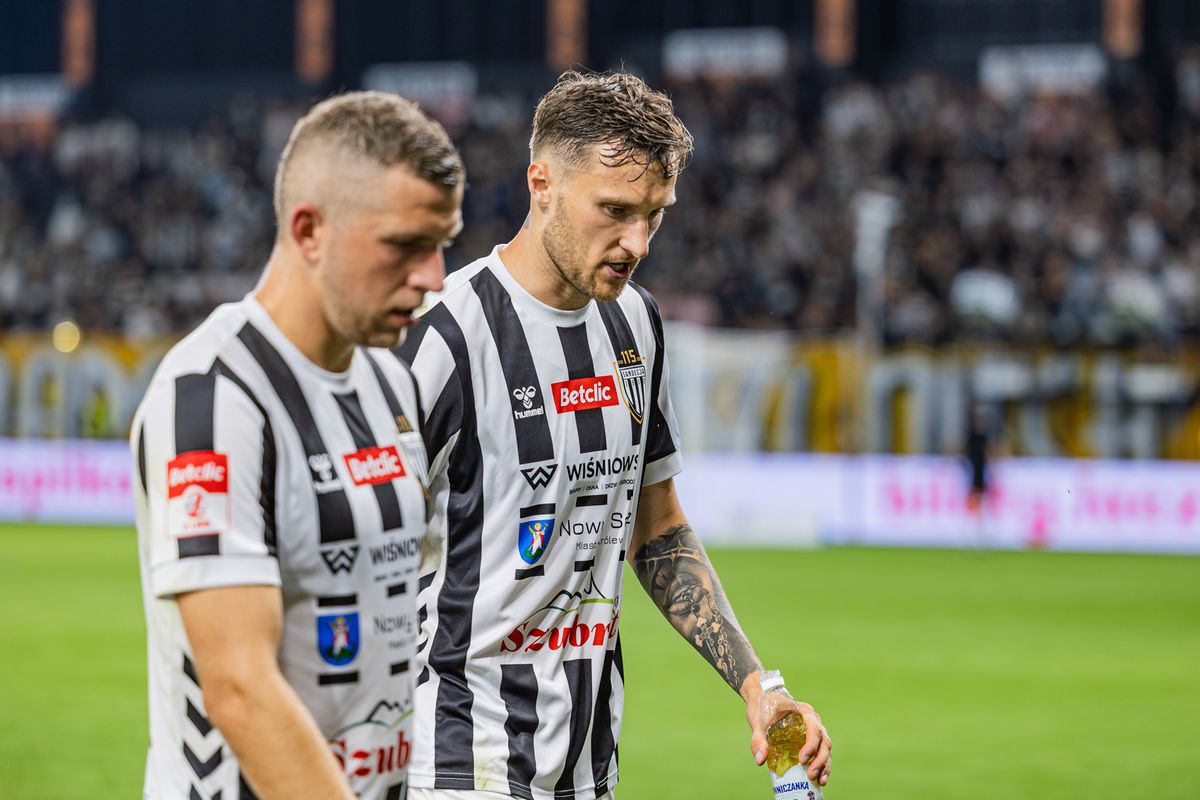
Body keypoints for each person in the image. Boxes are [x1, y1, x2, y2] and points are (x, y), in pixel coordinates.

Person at [397, 71, 832, 800]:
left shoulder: (636, 324)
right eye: (615, 210)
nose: (637, 242)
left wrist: (758, 685)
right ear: (542, 183)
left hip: (589, 768)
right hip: (455, 762)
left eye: (654, 216)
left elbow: (656, 528)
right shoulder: (442, 337)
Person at [130, 91, 464, 799]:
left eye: (442, 244)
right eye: (405, 245)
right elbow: (239, 688)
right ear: (309, 231)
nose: (433, 277)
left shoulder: (390, 383)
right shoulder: (212, 396)